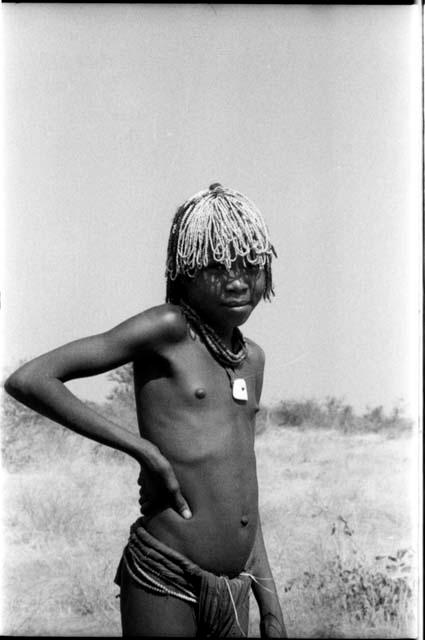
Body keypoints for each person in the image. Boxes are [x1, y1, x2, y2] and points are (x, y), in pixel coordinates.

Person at [5, 183, 287, 638]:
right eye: (216, 265)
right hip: (165, 576)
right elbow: (31, 379)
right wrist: (143, 451)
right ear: (185, 271)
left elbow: (243, 495)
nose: (237, 280)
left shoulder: (251, 359)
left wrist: (270, 605)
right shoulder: (168, 329)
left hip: (234, 591)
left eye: (251, 264)